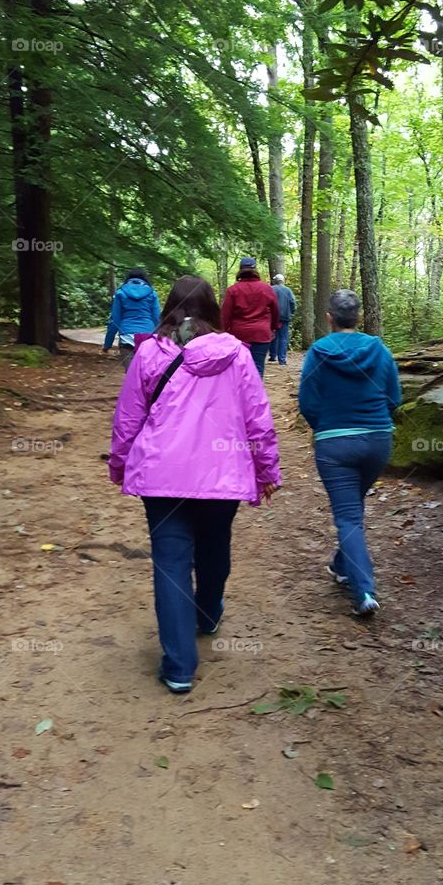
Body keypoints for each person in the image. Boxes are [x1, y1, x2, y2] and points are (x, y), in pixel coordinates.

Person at [109, 276, 281, 694]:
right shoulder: (236, 354)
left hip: (161, 476)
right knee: (214, 545)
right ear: (213, 309)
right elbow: (257, 417)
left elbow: (129, 417)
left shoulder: (150, 352)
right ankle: (207, 613)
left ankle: (180, 666)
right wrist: (266, 470)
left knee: (170, 563)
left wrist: (120, 463)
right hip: (223, 475)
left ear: (166, 306)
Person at [298, 290, 401, 618]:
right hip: (378, 442)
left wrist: (324, 426)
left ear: (329, 317)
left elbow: (308, 402)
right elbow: (394, 397)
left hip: (336, 444)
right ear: (359, 317)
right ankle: (342, 566)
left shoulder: (318, 352)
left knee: (348, 516)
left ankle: (364, 591)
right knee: (352, 511)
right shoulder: (379, 350)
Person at [220, 257, 279, 379]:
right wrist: (274, 327)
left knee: (239, 368)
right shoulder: (266, 288)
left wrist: (222, 333)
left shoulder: (233, 290)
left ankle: (240, 396)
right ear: (255, 270)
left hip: (239, 335)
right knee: (257, 368)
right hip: (261, 334)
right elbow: (275, 311)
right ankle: (255, 396)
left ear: (240, 270)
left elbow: (226, 315)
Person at [103, 268, 161, 370]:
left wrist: (107, 344)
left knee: (131, 375)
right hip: (147, 336)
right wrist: (161, 339)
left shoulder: (120, 293)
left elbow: (114, 320)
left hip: (127, 337)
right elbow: (157, 318)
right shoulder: (152, 293)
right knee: (146, 373)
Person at [268, 273, 296, 365]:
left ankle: (272, 356)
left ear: (275, 280)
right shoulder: (288, 290)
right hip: (285, 317)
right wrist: (291, 312)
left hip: (272, 317)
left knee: (273, 336)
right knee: (283, 338)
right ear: (283, 281)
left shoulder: (271, 289)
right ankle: (282, 360)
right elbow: (292, 302)